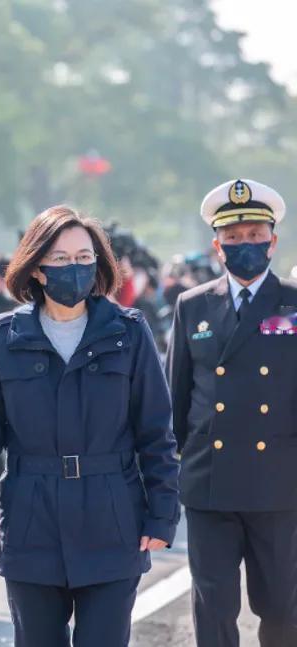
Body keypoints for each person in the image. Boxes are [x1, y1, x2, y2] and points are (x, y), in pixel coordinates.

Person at [0, 205, 180, 647]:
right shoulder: (2, 338)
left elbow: (156, 433)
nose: (73, 267)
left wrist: (163, 513)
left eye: (82, 257)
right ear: (36, 268)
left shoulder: (129, 334)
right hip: (30, 519)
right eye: (59, 258)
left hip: (113, 518)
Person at [166, 178, 297, 647]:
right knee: (214, 606)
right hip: (210, 484)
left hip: (278, 484)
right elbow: (176, 400)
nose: (246, 245)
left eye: (255, 236)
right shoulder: (192, 305)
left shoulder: (293, 303)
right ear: (217, 246)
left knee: (282, 607)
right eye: (234, 238)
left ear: (273, 241)